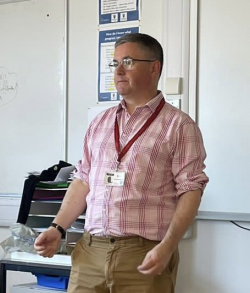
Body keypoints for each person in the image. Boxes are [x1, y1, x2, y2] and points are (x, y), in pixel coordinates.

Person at [34, 33, 209, 293]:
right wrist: (57, 227)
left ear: (154, 68)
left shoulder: (178, 125)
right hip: (90, 252)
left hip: (144, 255)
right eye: (114, 63)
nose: (117, 70)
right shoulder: (100, 123)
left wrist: (168, 246)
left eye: (127, 62)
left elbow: (191, 188)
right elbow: (83, 180)